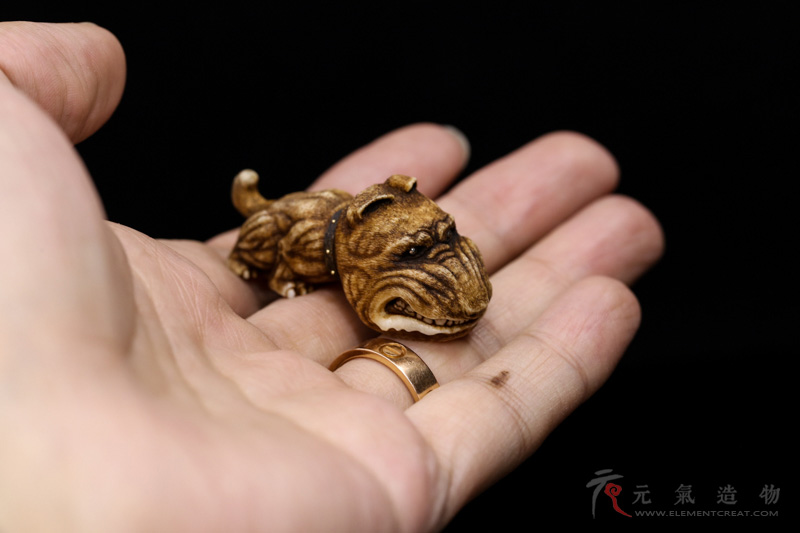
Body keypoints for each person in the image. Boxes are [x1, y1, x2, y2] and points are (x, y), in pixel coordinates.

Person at [0, 21, 663, 531]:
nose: (446, 255)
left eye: (441, 237)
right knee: (267, 236)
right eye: (416, 251)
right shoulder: (320, 240)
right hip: (301, 231)